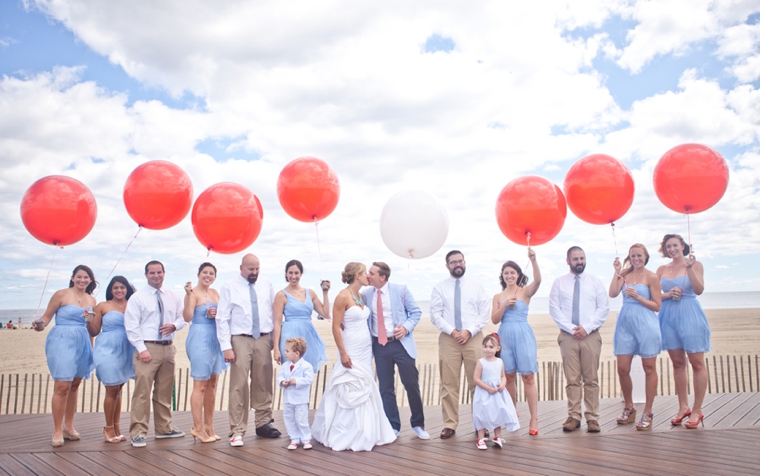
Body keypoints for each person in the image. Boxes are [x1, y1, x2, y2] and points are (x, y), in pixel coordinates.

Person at [311, 262, 396, 451]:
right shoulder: (342, 296)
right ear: (357, 275)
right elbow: (335, 326)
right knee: (349, 383)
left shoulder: (360, 296)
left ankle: (366, 429)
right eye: (365, 272)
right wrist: (343, 352)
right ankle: (347, 432)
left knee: (365, 384)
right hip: (350, 347)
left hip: (365, 348)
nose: (368, 275)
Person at [216, 254, 281, 447]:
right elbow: (222, 318)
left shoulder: (267, 284)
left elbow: (274, 311)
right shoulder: (230, 286)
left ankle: (263, 423)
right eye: (250, 269)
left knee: (263, 381)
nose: (254, 273)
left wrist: (274, 341)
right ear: (241, 268)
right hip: (240, 339)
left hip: (263, 338)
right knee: (239, 385)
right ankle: (237, 429)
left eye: (257, 269)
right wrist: (226, 347)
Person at [124, 260, 187, 447]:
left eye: (159, 272)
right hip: (147, 347)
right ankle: (138, 432)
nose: (156, 276)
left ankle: (163, 429)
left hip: (168, 347)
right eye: (152, 273)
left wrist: (174, 325)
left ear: (164, 273)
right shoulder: (138, 298)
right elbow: (131, 326)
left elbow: (183, 317)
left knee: (164, 391)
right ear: (146, 275)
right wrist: (142, 349)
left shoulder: (172, 296)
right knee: (142, 392)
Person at [363, 262, 428, 439]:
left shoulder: (401, 290)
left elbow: (415, 312)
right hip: (379, 345)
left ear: (382, 277)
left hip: (401, 344)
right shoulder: (365, 294)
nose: (368, 275)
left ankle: (418, 424)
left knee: (411, 385)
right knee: (385, 388)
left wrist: (406, 328)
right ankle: (393, 426)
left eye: (372, 273)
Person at [33, 265, 96, 447]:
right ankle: (57, 429)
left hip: (82, 341)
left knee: (75, 386)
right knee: (62, 386)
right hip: (62, 339)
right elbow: (46, 318)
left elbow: (91, 329)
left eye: (86, 277)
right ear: (72, 277)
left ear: (90, 281)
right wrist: (39, 324)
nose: (82, 280)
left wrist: (91, 348)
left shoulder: (92, 299)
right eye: (79, 276)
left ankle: (69, 426)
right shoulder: (61, 294)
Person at [549, 246, 609, 433]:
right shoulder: (559, 283)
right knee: (572, 379)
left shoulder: (595, 282)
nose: (579, 262)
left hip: (590, 336)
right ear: (568, 261)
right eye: (575, 259)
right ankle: (574, 416)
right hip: (568, 337)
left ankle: (592, 417)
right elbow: (554, 308)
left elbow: (603, 307)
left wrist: (587, 328)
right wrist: (572, 329)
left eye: (582, 258)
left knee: (591, 379)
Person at [430, 250, 490, 439]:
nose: (458, 264)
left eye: (460, 261)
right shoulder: (439, 288)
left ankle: (480, 423)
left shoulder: (476, 286)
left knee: (478, 382)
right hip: (449, 339)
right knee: (449, 383)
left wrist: (468, 331)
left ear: (465, 263)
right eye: (453, 262)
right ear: (447, 266)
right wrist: (454, 331)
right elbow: (435, 314)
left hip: (474, 337)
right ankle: (450, 424)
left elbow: (484, 312)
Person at [657, 234, 710, 429]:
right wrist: (667, 294)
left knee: (697, 363)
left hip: (689, 313)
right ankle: (683, 407)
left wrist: (689, 270)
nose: (672, 249)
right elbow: (655, 296)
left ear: (682, 246)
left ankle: (697, 409)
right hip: (668, 315)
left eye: (675, 245)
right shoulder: (662, 269)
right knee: (677, 363)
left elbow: (699, 290)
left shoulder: (695, 265)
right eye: (668, 246)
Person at [609, 244, 662, 431]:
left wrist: (638, 297)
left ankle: (647, 411)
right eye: (633, 255)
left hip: (646, 323)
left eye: (639, 255)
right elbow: (613, 293)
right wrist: (616, 272)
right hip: (625, 323)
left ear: (646, 257)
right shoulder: (624, 274)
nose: (636, 258)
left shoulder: (652, 277)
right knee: (622, 368)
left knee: (649, 368)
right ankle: (629, 407)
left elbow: (657, 306)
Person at [491, 248, 541, 435]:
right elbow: (495, 320)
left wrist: (533, 261)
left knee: (528, 377)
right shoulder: (498, 297)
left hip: (523, 334)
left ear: (518, 275)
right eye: (506, 273)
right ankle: (512, 412)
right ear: (502, 277)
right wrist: (505, 305)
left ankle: (534, 418)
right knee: (509, 376)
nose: (509, 275)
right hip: (505, 335)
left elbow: (538, 281)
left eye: (512, 272)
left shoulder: (525, 292)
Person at [88, 276, 136, 443]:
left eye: (122, 287)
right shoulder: (103, 306)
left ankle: (116, 427)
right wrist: (88, 321)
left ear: (127, 289)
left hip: (127, 348)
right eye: (115, 288)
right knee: (111, 387)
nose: (119, 290)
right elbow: (94, 331)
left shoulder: (133, 303)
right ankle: (108, 428)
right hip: (107, 348)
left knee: (118, 389)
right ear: (111, 290)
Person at [183, 262, 227, 443]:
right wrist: (187, 297)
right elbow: (187, 317)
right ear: (198, 274)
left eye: (211, 273)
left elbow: (224, 314)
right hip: (200, 336)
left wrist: (217, 313)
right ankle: (198, 428)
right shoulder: (192, 293)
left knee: (212, 383)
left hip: (215, 338)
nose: (208, 275)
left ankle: (209, 426)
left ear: (215, 276)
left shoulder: (216, 293)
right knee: (200, 384)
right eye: (204, 272)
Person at [273, 260, 330, 373]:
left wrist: (325, 293)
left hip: (307, 335)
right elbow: (277, 323)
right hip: (289, 336)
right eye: (290, 273)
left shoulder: (310, 292)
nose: (293, 276)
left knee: (306, 373)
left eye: (296, 273)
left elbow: (326, 314)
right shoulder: (281, 295)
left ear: (301, 274)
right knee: (291, 373)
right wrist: (276, 348)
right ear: (286, 274)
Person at [473, 334, 519, 450]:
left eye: (491, 347)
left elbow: (503, 376)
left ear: (497, 348)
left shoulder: (499, 362)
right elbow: (476, 378)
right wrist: (487, 388)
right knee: (482, 413)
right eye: (485, 346)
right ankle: (481, 438)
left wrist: (503, 384)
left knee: (497, 412)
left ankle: (497, 436)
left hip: (497, 392)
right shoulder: (481, 362)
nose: (487, 349)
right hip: (484, 392)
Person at [278, 337, 315, 450]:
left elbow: (309, 380)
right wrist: (282, 381)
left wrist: (296, 381)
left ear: (297, 353)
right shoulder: (285, 366)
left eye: (287, 351)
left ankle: (306, 439)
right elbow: (280, 376)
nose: (285, 353)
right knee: (289, 418)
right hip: (288, 399)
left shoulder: (306, 366)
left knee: (301, 419)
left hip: (300, 399)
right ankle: (294, 438)